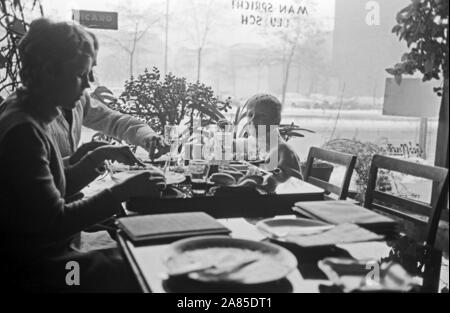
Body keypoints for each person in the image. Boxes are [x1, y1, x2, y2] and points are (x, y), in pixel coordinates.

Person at [0, 18, 165, 292]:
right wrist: (122, 192)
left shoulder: (30, 113)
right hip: (47, 267)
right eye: (81, 74)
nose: (89, 84)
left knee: (132, 241)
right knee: (145, 268)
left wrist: (96, 157)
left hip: (56, 248)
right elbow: (55, 223)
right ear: (49, 72)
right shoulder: (24, 132)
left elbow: (52, 191)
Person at [48, 30, 169, 166]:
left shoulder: (80, 100)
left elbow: (114, 121)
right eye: (83, 71)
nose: (90, 81)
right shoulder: (29, 119)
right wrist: (92, 157)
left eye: (92, 70)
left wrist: (146, 136)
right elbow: (35, 176)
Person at [245, 94, 303, 191]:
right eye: (250, 115)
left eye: (261, 115)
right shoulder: (255, 142)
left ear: (275, 120)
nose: (253, 120)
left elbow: (295, 186)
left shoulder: (284, 151)